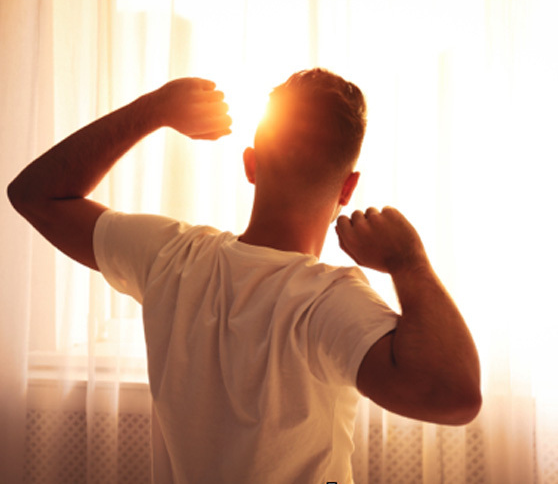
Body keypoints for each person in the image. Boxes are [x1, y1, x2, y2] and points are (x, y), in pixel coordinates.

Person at [8, 69, 481, 483]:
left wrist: (153, 110)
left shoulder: (170, 256)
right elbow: (455, 397)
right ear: (348, 188)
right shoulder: (329, 301)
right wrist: (409, 262)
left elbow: (34, 193)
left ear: (251, 165)